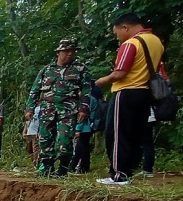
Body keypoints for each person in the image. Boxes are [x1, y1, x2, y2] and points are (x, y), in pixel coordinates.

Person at [95, 13, 164, 185]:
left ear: (125, 27)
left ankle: (118, 175)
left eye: (117, 32)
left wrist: (101, 81)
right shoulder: (156, 41)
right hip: (145, 93)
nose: (117, 37)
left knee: (117, 134)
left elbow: (120, 73)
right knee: (134, 134)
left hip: (126, 92)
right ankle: (127, 172)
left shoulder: (130, 44)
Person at [25, 37, 91, 177]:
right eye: (66, 51)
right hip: (47, 110)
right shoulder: (46, 70)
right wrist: (29, 109)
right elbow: (34, 90)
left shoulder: (80, 69)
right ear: (58, 52)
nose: (70, 54)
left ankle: (62, 169)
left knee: (65, 139)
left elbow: (86, 90)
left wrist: (84, 108)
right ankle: (47, 167)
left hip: (68, 111)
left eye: (72, 51)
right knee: (45, 138)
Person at [69, 84, 103, 173]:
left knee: (81, 148)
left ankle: (82, 167)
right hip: (89, 126)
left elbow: (82, 116)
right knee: (83, 147)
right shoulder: (93, 99)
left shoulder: (87, 100)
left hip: (84, 127)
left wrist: (78, 129)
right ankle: (79, 166)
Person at [141, 107, 156, 178]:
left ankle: (147, 169)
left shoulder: (140, 95)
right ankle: (148, 169)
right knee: (148, 144)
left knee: (147, 144)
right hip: (151, 118)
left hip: (144, 119)